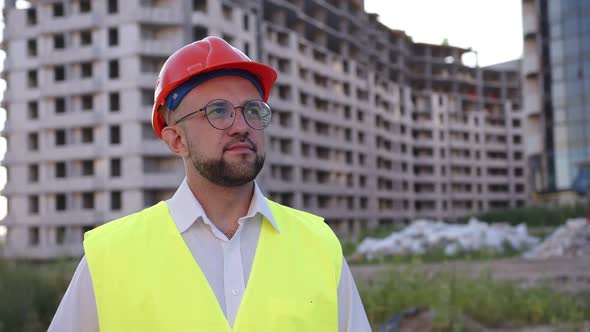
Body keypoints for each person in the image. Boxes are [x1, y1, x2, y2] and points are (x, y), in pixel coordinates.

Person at [48, 36, 371, 332]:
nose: (242, 126)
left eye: (253, 111)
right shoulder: (110, 256)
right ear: (176, 140)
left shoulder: (319, 244)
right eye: (218, 111)